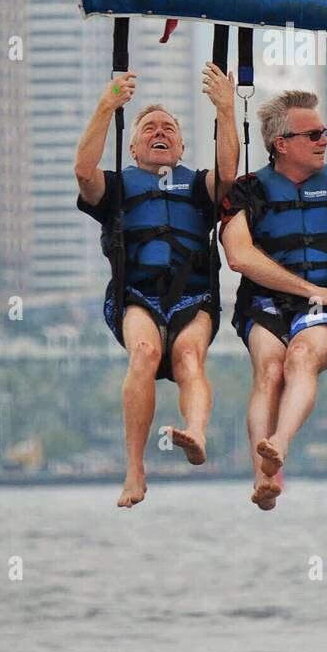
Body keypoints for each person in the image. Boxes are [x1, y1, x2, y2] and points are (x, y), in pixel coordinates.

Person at [75, 64, 238, 507]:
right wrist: (107, 106)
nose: (160, 131)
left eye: (169, 128)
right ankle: (134, 468)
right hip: (137, 298)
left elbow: (229, 172)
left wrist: (226, 108)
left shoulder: (199, 184)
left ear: (182, 145)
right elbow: (83, 170)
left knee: (189, 357)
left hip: (194, 297)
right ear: (133, 145)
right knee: (145, 353)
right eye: (150, 128)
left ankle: (196, 433)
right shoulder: (116, 187)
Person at [219, 91, 327, 511]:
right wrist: (313, 291)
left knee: (300, 356)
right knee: (268, 369)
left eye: (325, 132)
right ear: (281, 143)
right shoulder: (247, 191)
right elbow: (238, 256)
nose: (324, 140)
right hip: (267, 303)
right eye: (314, 134)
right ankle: (261, 478)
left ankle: (278, 446)